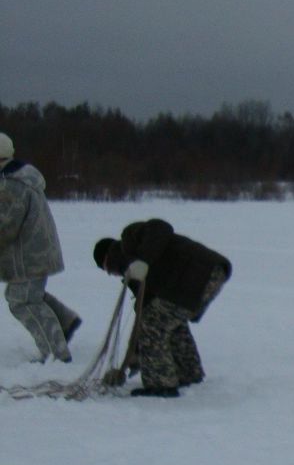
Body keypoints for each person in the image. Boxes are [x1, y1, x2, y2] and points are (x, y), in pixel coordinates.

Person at [93, 219, 231, 397]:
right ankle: (188, 373)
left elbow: (160, 227)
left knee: (154, 324)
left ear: (107, 258)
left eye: (106, 269)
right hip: (207, 274)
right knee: (165, 321)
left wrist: (144, 260)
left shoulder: (129, 239)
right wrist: (133, 358)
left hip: (198, 273)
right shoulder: (135, 274)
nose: (111, 274)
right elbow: (142, 312)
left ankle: (161, 384)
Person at [0, 132, 81, 363]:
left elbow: (4, 226)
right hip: (34, 253)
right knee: (27, 295)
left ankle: (56, 353)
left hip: (28, 256)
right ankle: (65, 322)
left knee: (22, 301)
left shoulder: (10, 185)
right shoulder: (17, 176)